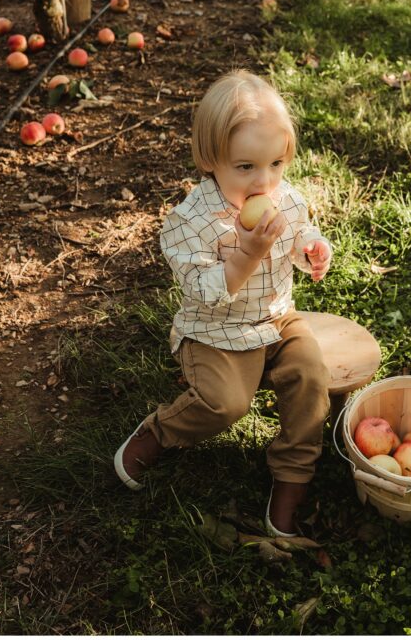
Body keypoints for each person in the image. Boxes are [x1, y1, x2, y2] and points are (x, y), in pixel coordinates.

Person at [114, 68, 333, 537]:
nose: (265, 181)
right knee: (224, 403)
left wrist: (312, 248)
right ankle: (160, 432)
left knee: (311, 377)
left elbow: (299, 232)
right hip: (216, 330)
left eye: (276, 164)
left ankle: (293, 475)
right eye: (246, 167)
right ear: (211, 159)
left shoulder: (283, 197)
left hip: (276, 318)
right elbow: (205, 291)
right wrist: (246, 256)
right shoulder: (189, 222)